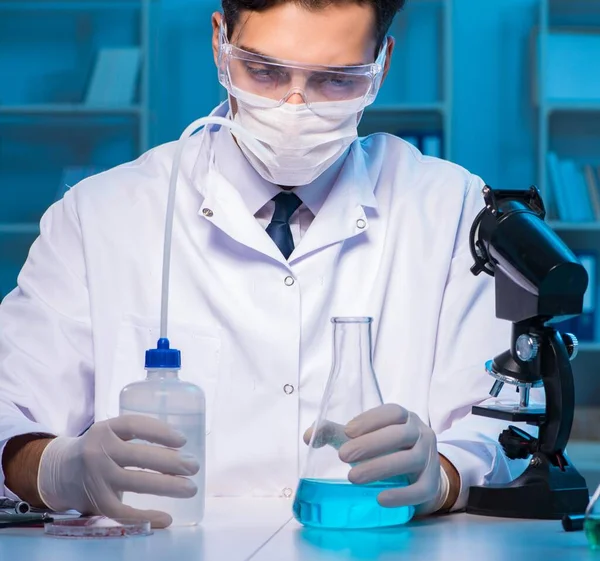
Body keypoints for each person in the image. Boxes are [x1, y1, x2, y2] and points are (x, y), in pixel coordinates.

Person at [0, 0, 528, 528]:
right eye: (264, 71)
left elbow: (503, 427)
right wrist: (56, 470)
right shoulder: (100, 215)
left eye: (336, 80)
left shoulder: (452, 210)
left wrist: (441, 476)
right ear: (219, 43)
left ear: (381, 65)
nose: (294, 107)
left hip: (373, 558)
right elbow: (8, 414)